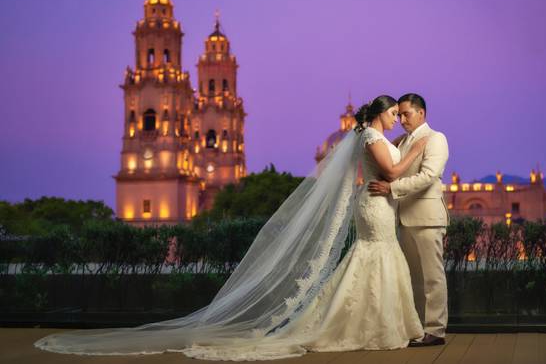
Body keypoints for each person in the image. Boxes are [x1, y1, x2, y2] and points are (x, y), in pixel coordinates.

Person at [34, 95, 429, 361]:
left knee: (373, 257)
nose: (398, 117)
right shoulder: (377, 137)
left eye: (401, 113)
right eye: (395, 112)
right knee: (373, 255)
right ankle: (364, 324)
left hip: (379, 203)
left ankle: (372, 321)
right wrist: (415, 149)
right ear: (380, 113)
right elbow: (393, 170)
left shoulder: (368, 135)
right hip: (375, 205)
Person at [368, 93, 450, 347]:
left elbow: (428, 176)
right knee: (412, 277)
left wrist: (391, 189)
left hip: (427, 217)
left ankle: (435, 330)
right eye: (399, 114)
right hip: (403, 218)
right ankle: (417, 327)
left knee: (432, 276)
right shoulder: (401, 140)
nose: (402, 119)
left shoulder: (436, 139)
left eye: (407, 114)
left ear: (421, 114)